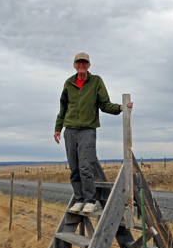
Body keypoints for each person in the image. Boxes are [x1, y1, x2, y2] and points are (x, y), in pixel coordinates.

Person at [54, 52, 133, 214]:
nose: (81, 65)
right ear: (75, 65)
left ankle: (90, 200)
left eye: (84, 62)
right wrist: (58, 128)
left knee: (85, 166)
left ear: (89, 65)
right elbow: (63, 108)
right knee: (74, 168)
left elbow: (104, 104)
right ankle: (79, 199)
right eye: (78, 62)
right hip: (69, 130)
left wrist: (120, 108)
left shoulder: (96, 81)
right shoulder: (69, 83)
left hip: (87, 130)